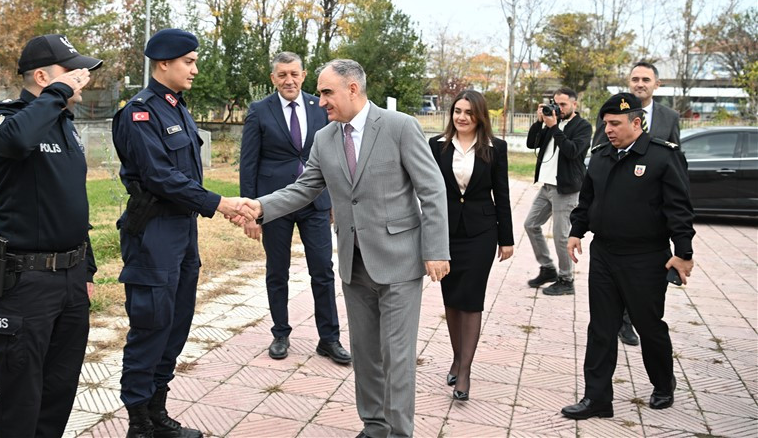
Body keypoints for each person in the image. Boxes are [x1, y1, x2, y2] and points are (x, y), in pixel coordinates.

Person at [241, 59, 450, 438]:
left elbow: (432, 189)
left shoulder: (400, 127)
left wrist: (436, 250)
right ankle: (374, 427)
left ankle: (399, 433)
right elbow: (304, 189)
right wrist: (261, 206)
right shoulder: (325, 138)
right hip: (354, 263)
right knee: (366, 353)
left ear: (352, 89)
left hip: (400, 261)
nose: (320, 102)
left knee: (397, 356)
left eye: (326, 92)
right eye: (319, 93)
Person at [112, 28, 251, 438]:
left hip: (181, 231)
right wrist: (219, 203)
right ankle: (138, 422)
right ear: (163, 64)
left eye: (194, 60)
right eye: (188, 62)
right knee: (151, 323)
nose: (195, 68)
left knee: (176, 322)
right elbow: (159, 176)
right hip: (153, 232)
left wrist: (211, 205)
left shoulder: (177, 108)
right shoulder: (140, 112)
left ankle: (158, 410)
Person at [0, 33, 101, 437]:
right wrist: (59, 92)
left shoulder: (65, 125)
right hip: (24, 284)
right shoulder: (5, 118)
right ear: (42, 76)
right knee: (21, 398)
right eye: (72, 72)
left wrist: (86, 269)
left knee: (58, 392)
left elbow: (69, 201)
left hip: (68, 280)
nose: (82, 78)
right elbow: (16, 140)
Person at [560, 93, 694, 420]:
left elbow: (679, 210)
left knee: (649, 326)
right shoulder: (601, 156)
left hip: (646, 259)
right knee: (601, 329)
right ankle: (597, 399)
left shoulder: (662, 157)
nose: (608, 130)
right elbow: (587, 201)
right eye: (606, 123)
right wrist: (577, 231)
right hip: (605, 254)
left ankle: (663, 384)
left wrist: (683, 253)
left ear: (636, 123)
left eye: (615, 124)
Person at [239, 52, 350, 364]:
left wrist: (335, 199)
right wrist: (251, 211)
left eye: (294, 74)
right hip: (275, 204)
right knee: (277, 271)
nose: (289, 80)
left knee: (323, 271)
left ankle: (329, 339)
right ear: (273, 78)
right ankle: (280, 333)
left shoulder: (321, 107)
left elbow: (336, 155)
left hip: (315, 202)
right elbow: (248, 164)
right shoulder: (260, 110)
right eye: (282, 75)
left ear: (303, 76)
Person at [429, 90, 513, 401]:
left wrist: (506, 238)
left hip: (481, 233)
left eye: (469, 112)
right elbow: (429, 191)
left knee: (471, 299)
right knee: (451, 297)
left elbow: (502, 195)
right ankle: (457, 357)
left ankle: (464, 371)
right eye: (457, 111)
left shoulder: (496, 148)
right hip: (445, 233)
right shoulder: (437, 146)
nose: (462, 117)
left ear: (479, 116)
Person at [593, 61, 682, 346]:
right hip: (615, 222)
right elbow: (599, 156)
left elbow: (677, 165)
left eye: (646, 79)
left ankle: (632, 320)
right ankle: (621, 321)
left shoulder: (669, 117)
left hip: (650, 225)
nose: (639, 83)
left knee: (647, 308)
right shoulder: (611, 113)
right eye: (635, 79)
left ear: (657, 84)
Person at [523, 87, 592, 296]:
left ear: (574, 105)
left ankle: (566, 279)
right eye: (556, 103)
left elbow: (572, 151)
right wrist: (539, 123)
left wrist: (554, 128)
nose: (559, 108)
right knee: (531, 224)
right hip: (546, 186)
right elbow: (530, 144)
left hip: (566, 189)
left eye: (563, 104)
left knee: (562, 236)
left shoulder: (583, 126)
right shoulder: (552, 122)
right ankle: (548, 268)